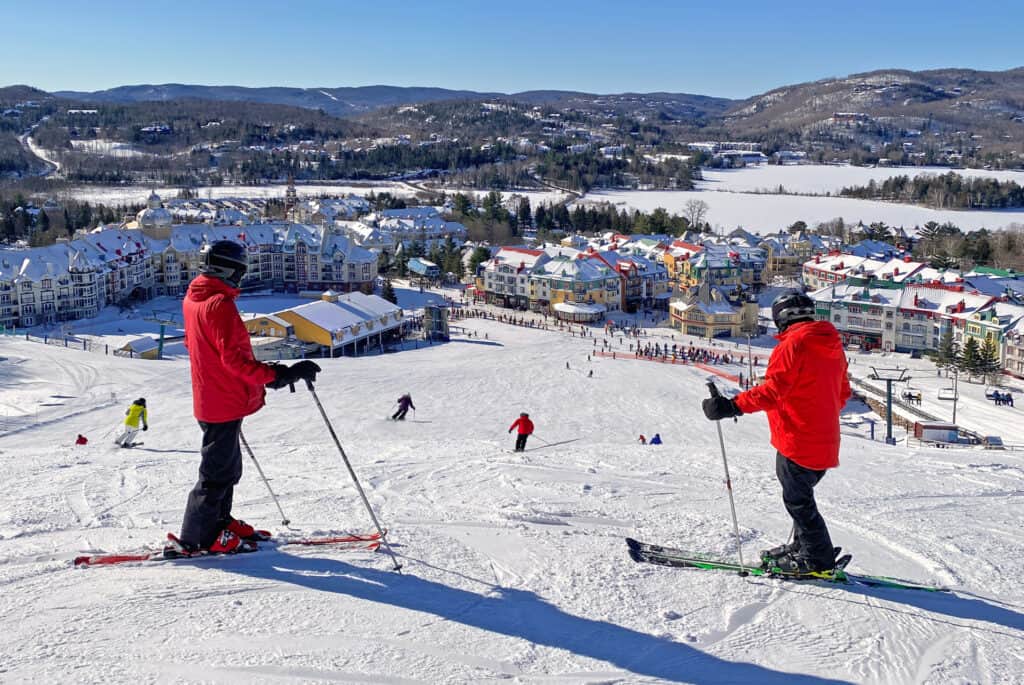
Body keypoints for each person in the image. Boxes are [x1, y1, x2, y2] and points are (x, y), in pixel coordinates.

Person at [167, 240, 321, 558]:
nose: (242, 275)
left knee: (227, 467)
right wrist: (280, 375)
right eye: (240, 270)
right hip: (221, 400)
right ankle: (200, 537)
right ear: (229, 270)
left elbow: (192, 344)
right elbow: (234, 361)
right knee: (216, 473)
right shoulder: (219, 304)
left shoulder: (196, 298)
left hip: (215, 396)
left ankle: (218, 523)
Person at [702, 290, 851, 575]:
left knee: (798, 502)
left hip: (796, 440)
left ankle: (816, 559)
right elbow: (842, 393)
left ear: (781, 318)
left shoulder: (792, 345)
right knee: (801, 496)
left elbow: (772, 392)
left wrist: (731, 406)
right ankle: (805, 547)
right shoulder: (831, 344)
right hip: (825, 440)